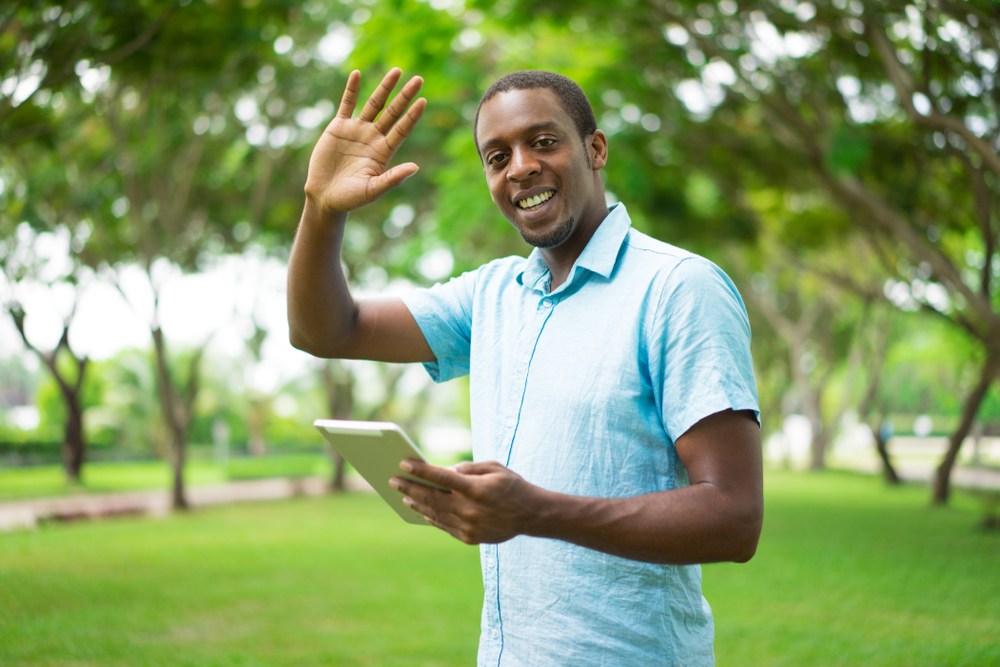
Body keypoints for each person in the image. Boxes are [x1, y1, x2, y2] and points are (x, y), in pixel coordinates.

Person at [287, 67, 763, 666]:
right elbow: (324, 329)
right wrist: (321, 209)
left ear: (595, 149)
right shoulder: (493, 296)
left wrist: (534, 511)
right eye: (496, 156)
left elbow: (734, 516)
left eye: (543, 142)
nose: (519, 167)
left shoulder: (678, 288)